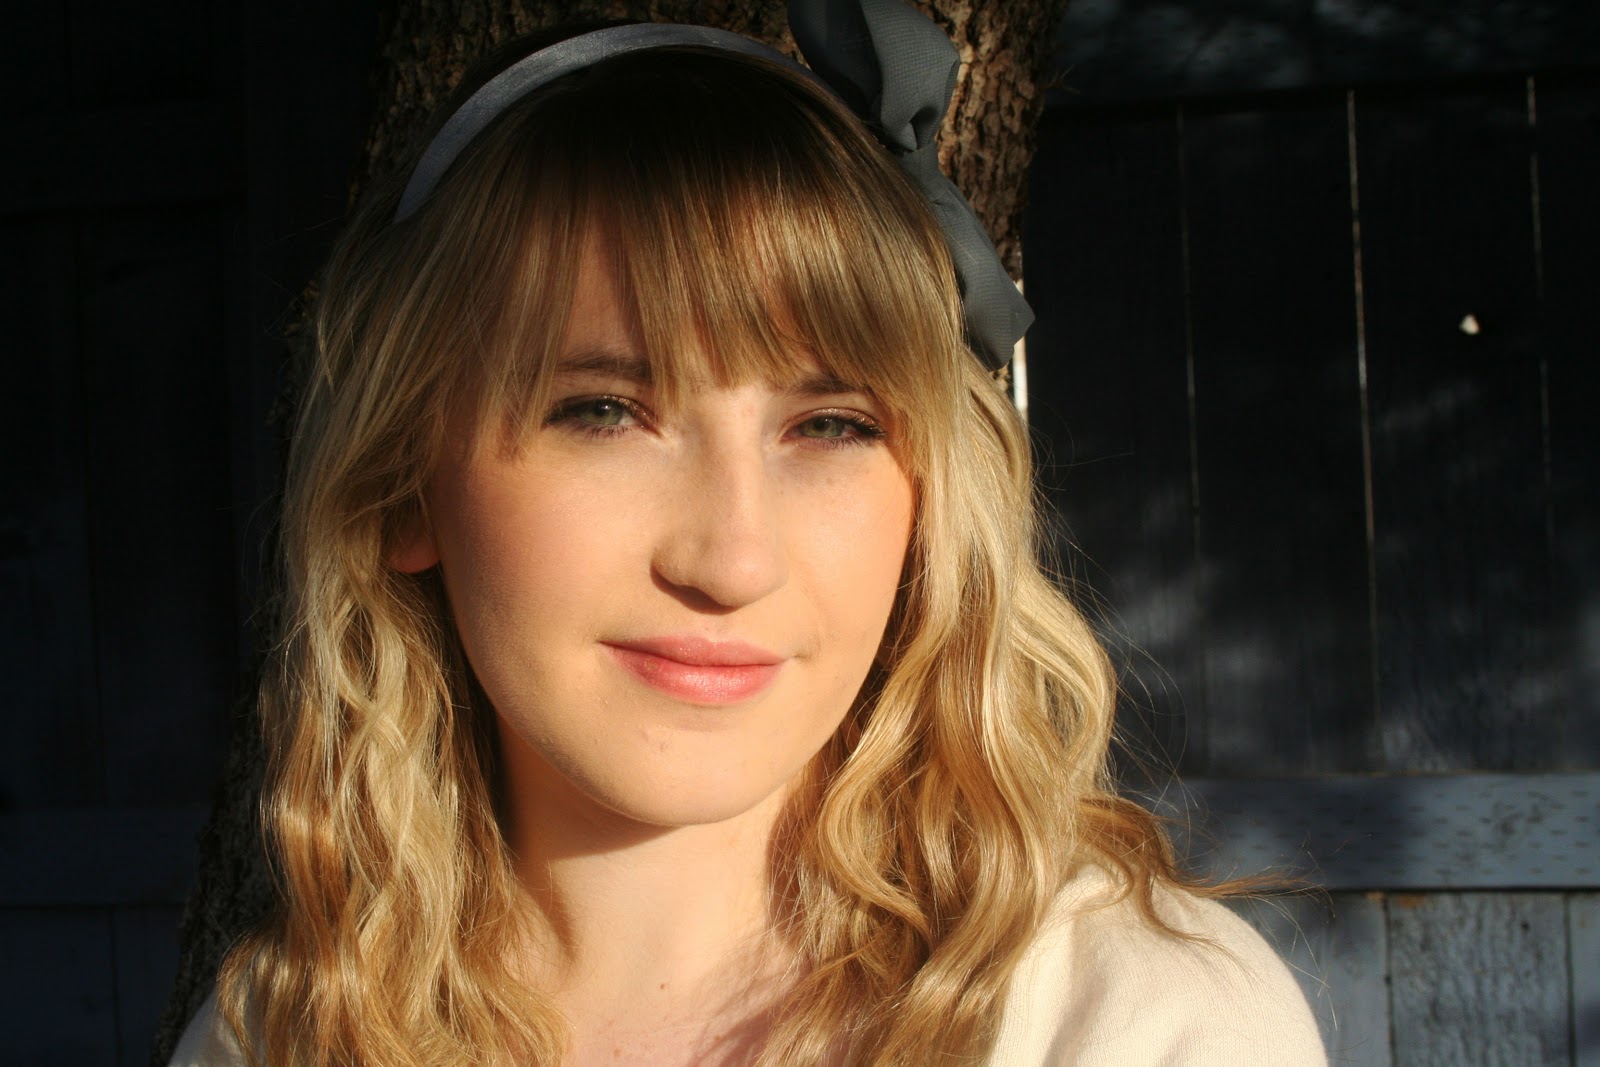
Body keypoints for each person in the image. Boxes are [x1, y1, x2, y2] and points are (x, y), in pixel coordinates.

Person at [170, 2, 1327, 1064]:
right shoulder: (278, 1033)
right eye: (605, 412)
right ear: (402, 488)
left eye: (830, 425)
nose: (732, 560)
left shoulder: (1140, 1021)